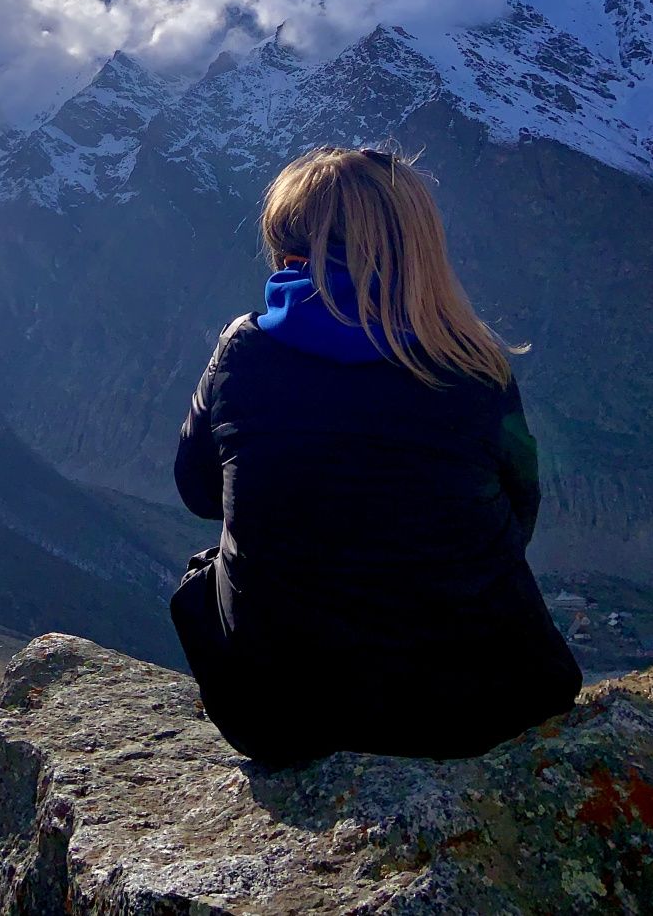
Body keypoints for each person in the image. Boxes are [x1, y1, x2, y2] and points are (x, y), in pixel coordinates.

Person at [170, 145, 581, 768]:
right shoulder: (473, 368)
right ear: (418, 250)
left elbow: (199, 492)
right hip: (487, 706)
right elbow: (517, 510)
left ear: (289, 252)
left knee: (206, 573)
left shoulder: (243, 353)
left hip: (282, 716)